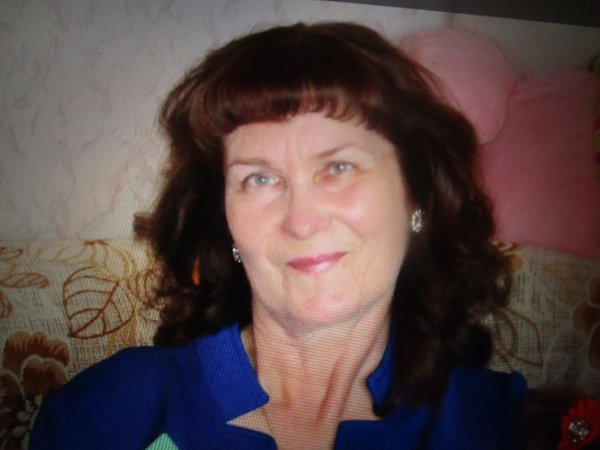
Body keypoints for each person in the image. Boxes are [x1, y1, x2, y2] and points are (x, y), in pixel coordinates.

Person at [30, 22, 528, 449]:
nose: (302, 221)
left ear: (415, 199)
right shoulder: (109, 412)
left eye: (339, 167)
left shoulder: (506, 426)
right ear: (225, 221)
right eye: (259, 179)